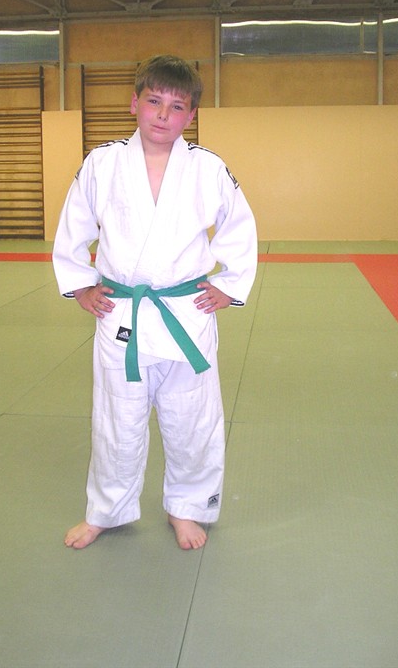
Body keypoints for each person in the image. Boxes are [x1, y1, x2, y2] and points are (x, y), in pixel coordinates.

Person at [52, 54, 257, 550]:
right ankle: (107, 509)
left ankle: (187, 507)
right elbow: (74, 225)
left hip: (186, 311)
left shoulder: (207, 168)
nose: (163, 115)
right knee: (116, 421)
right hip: (121, 310)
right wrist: (80, 285)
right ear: (134, 104)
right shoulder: (102, 164)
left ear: (191, 115)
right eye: (154, 101)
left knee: (192, 419)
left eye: (177, 106)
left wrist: (229, 285)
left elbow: (239, 225)